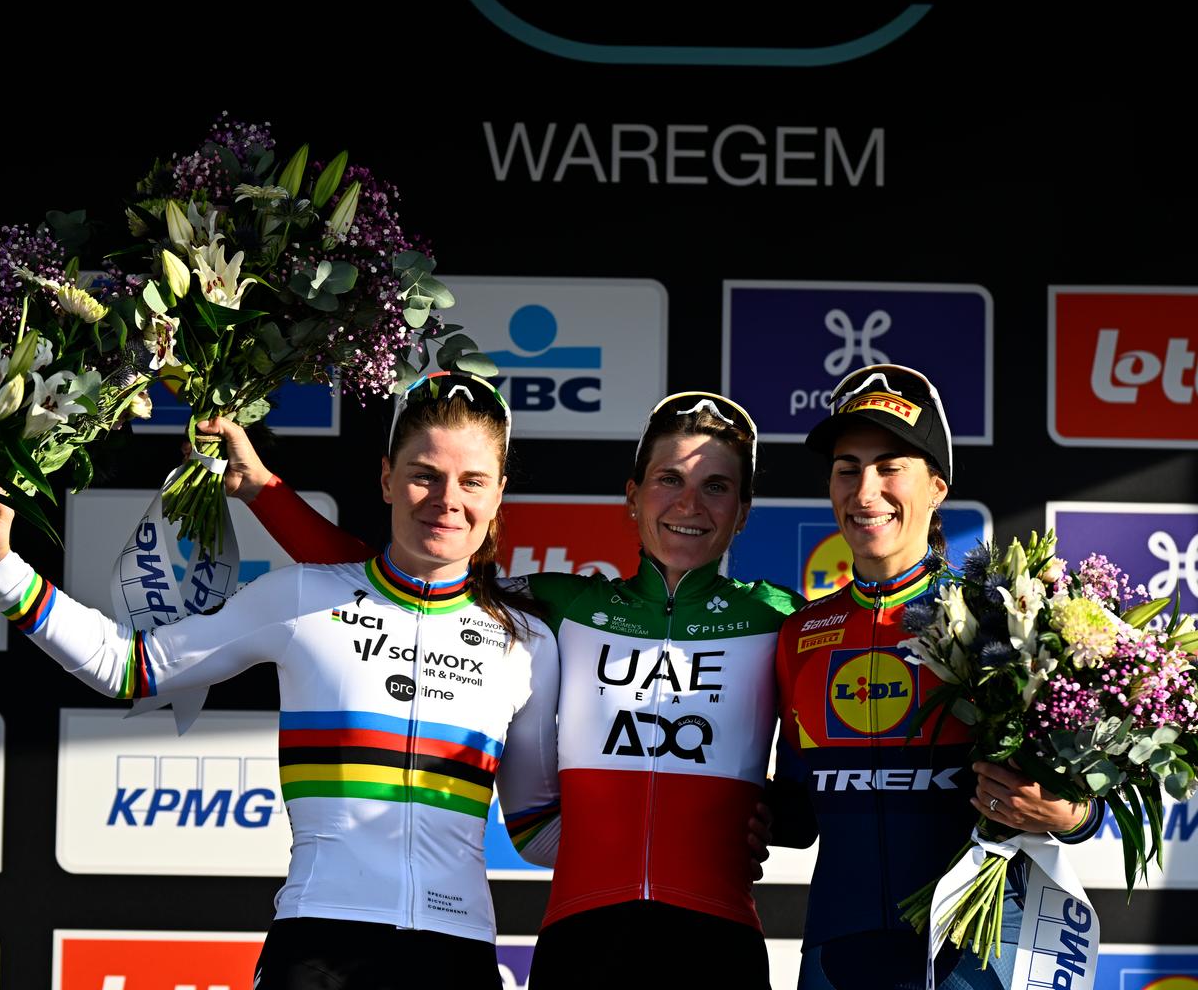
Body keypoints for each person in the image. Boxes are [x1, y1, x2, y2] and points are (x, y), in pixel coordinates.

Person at [0, 370, 560, 990]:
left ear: (498, 495)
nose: (447, 499)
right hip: (319, 946)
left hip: (457, 953)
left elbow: (535, 827)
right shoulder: (304, 596)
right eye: (423, 474)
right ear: (386, 478)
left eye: (472, 481)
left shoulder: (526, 640)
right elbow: (129, 667)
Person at [239, 390, 801, 989]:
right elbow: (383, 585)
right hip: (582, 946)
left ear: (743, 510)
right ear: (632, 496)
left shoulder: (781, 619)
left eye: (716, 486)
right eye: (669, 478)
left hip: (718, 946)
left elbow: (827, 765)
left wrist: (778, 809)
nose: (689, 503)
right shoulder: (558, 605)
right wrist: (260, 491)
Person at [771, 364, 1101, 990]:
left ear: (937, 488)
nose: (865, 490)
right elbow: (797, 813)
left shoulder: (1003, 618)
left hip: (977, 958)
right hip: (837, 956)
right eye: (847, 469)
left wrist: (1068, 814)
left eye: (891, 466)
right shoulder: (799, 635)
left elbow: (1082, 796)